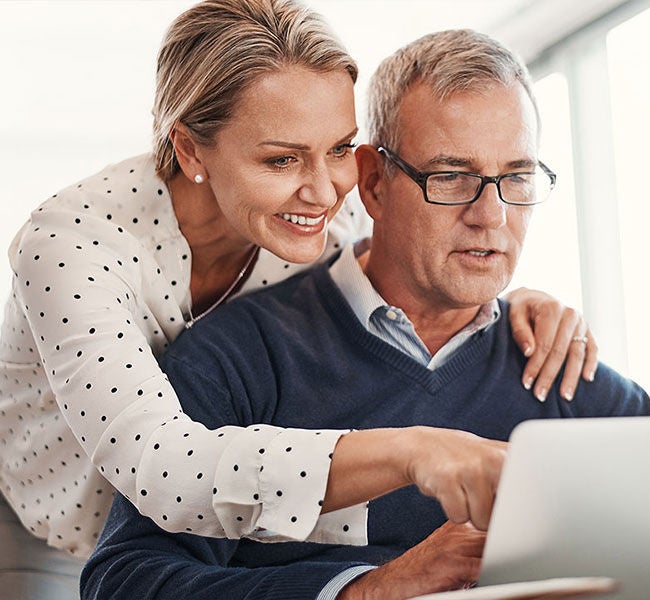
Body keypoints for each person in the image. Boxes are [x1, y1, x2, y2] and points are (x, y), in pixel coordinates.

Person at [0, 0, 597, 597]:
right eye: (281, 158)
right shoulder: (71, 245)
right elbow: (167, 470)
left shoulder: (319, 214)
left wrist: (513, 299)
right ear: (189, 150)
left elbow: (427, 240)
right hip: (55, 524)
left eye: (338, 148)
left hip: (231, 519)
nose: (324, 190)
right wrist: (415, 449)